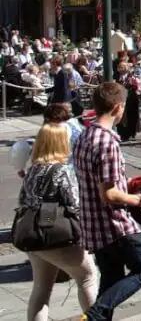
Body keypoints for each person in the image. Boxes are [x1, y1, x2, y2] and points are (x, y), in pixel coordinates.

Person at [73, 82, 141, 320]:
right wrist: (139, 198)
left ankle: (97, 315)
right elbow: (109, 194)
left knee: (111, 282)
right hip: (114, 224)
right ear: (119, 108)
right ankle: (95, 314)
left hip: (93, 224)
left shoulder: (84, 135)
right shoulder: (108, 141)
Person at [19, 121, 99, 321]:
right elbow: (75, 205)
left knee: (41, 289)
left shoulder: (32, 171)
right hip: (59, 236)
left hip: (34, 238)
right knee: (87, 278)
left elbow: (23, 201)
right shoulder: (63, 171)